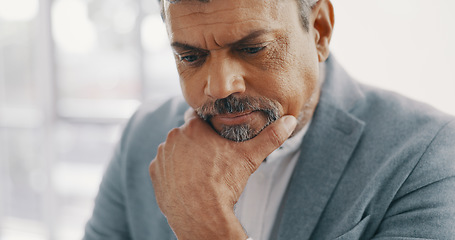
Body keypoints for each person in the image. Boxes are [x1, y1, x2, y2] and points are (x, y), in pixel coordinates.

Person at [84, 0, 455, 239]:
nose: (219, 87)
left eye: (252, 48)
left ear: (321, 30)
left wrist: (206, 228)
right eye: (191, 57)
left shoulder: (428, 154)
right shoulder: (142, 135)